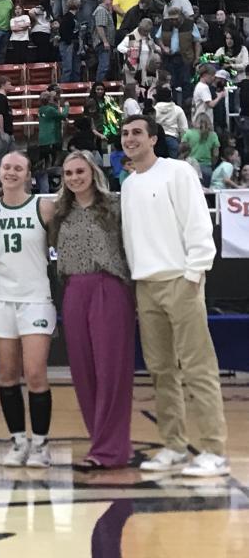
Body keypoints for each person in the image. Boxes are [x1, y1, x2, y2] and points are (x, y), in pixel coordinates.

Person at [119, 115, 229, 477]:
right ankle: (174, 444)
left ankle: (214, 448)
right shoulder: (130, 184)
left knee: (198, 367)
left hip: (181, 281)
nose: (130, 139)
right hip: (146, 286)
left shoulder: (178, 172)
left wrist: (194, 273)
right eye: (125, 134)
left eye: (137, 133)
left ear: (153, 138)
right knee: (161, 370)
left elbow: (198, 223)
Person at [48, 152, 135, 470]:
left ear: (92, 172)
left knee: (111, 370)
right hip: (73, 289)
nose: (73, 177)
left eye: (79, 171)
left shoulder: (114, 206)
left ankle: (109, 451)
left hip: (108, 287)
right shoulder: (61, 212)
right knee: (83, 372)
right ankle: (102, 443)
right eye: (68, 173)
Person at [0, 153, 58, 468]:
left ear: (28, 175)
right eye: (7, 167)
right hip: (0, 297)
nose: (11, 172)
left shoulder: (44, 207)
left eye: (18, 168)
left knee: (36, 374)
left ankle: (40, 444)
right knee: (7, 374)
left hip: (36, 297)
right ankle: (18, 441)